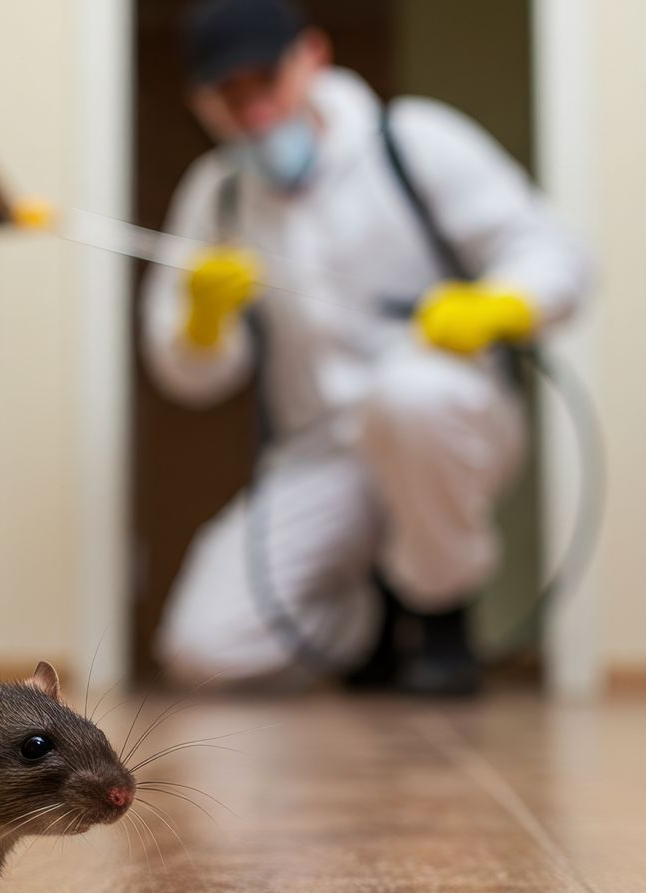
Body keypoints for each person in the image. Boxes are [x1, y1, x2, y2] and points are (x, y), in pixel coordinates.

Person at [143, 0, 592, 694]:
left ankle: (441, 615)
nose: (254, 110)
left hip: (447, 418)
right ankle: (370, 624)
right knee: (203, 648)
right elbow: (188, 377)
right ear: (200, 101)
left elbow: (555, 254)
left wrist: (499, 304)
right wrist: (203, 323)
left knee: (409, 396)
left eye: (266, 81)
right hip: (321, 453)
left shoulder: (411, 140)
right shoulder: (218, 196)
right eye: (229, 95)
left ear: (313, 58)